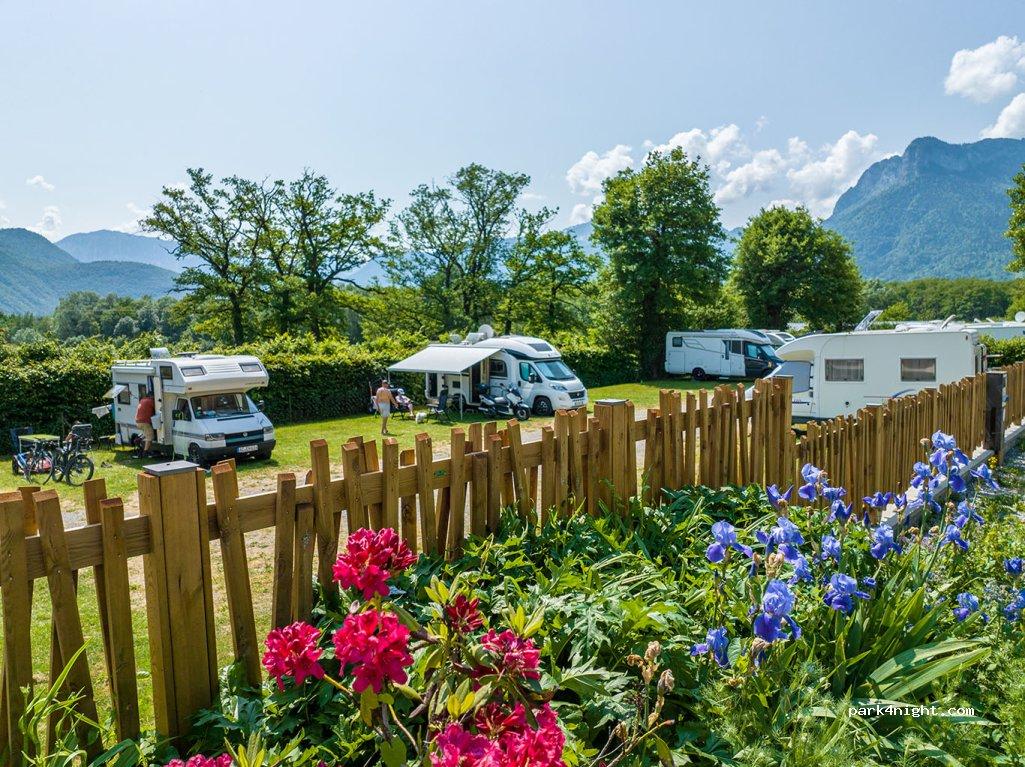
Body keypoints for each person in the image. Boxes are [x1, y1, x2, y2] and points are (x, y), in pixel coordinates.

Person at [135, 390, 156, 457]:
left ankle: (138, 440)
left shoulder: (142, 400)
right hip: (145, 422)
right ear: (151, 396)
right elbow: (158, 407)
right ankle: (145, 452)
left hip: (138, 421)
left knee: (146, 434)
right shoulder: (150, 401)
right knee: (150, 437)